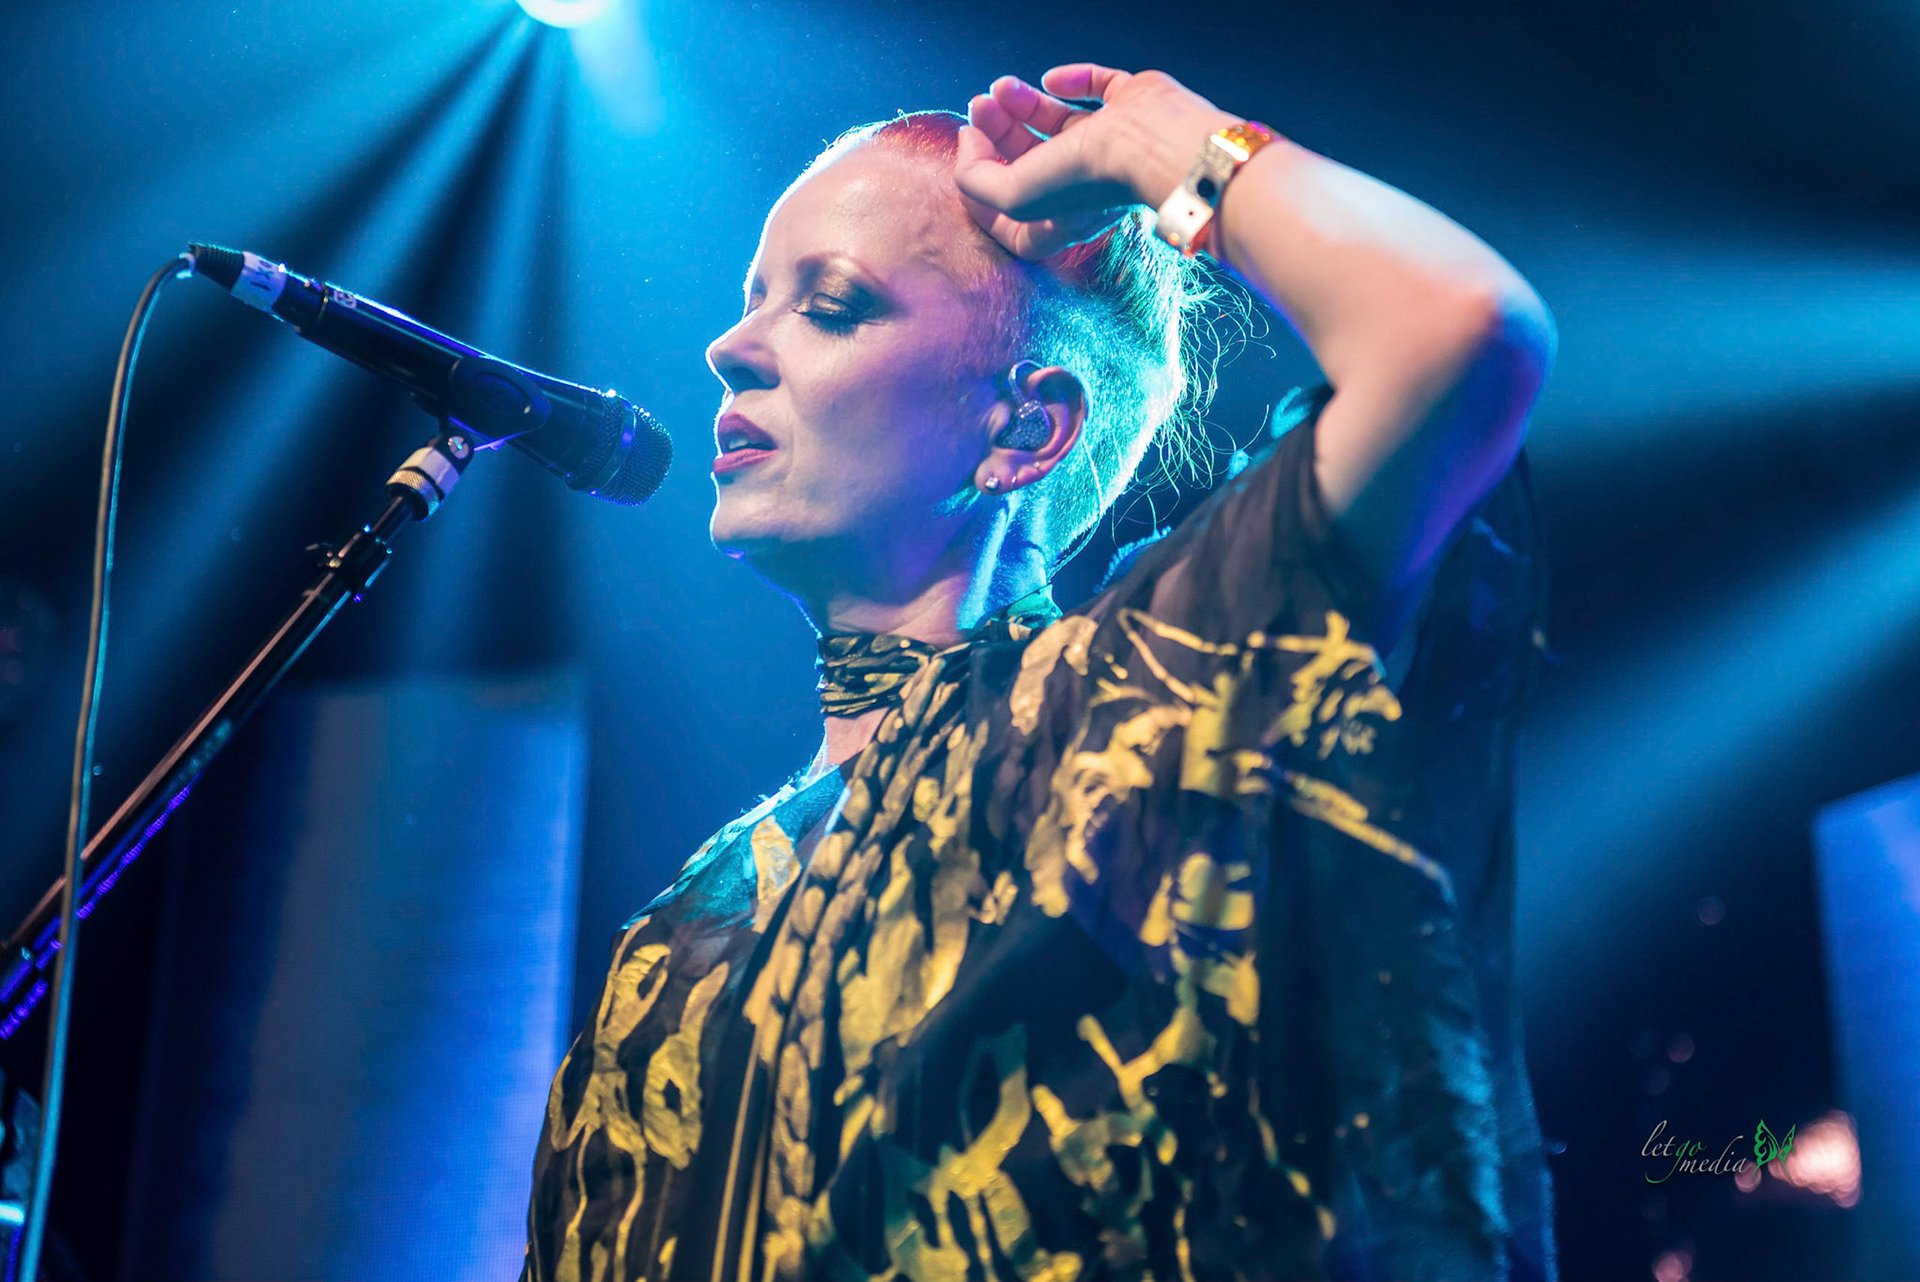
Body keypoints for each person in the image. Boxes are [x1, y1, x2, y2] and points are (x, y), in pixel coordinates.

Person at [525, 63, 1557, 1282]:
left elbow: (1454, 330)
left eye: (832, 305)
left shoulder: (1133, 706)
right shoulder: (677, 934)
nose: (728, 349)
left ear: (1026, 429)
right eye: (754, 302)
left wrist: (1167, 146)